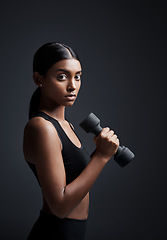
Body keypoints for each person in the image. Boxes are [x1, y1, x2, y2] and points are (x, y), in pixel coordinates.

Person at [23, 42, 119, 240]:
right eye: (62, 77)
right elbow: (59, 206)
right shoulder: (42, 127)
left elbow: (74, 178)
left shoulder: (67, 126)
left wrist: (100, 151)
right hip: (55, 233)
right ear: (38, 79)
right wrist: (101, 157)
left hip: (72, 232)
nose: (72, 85)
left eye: (78, 76)